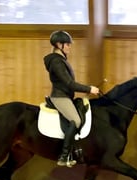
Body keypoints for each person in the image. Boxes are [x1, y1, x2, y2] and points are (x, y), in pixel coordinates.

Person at [43, 30, 100, 167]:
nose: (69, 46)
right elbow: (69, 83)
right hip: (60, 97)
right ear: (59, 44)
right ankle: (64, 155)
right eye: (67, 44)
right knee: (76, 120)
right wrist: (89, 89)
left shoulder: (61, 60)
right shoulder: (56, 62)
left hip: (66, 96)